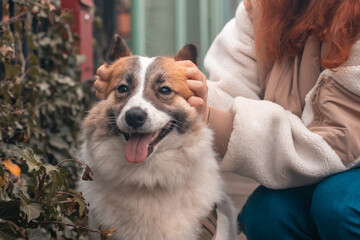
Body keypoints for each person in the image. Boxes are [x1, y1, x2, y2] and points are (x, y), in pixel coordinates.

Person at [94, 0, 360, 239]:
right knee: (266, 214)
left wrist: (209, 116)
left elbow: (335, 142)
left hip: (347, 161)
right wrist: (197, 95)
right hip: (309, 164)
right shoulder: (261, 9)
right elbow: (231, 91)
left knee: (337, 204)